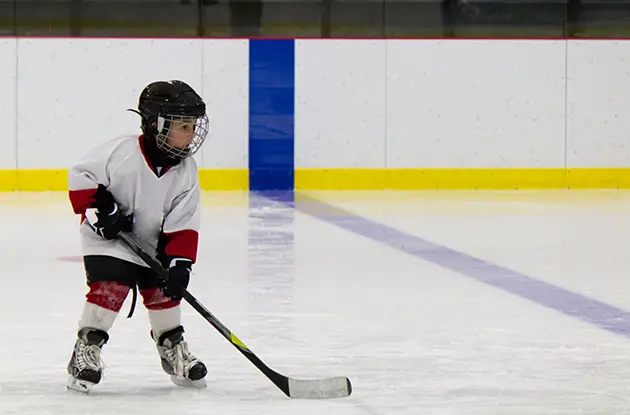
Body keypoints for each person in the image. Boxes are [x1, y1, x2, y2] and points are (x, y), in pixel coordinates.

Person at [66, 80, 210, 393]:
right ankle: (85, 350)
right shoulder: (121, 152)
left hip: (152, 243)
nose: (191, 134)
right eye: (182, 126)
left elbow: (183, 221)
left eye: (192, 125)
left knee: (164, 292)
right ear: (156, 124)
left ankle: (172, 348)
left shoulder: (186, 171)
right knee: (110, 286)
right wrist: (100, 212)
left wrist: (180, 263)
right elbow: (81, 177)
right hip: (108, 240)